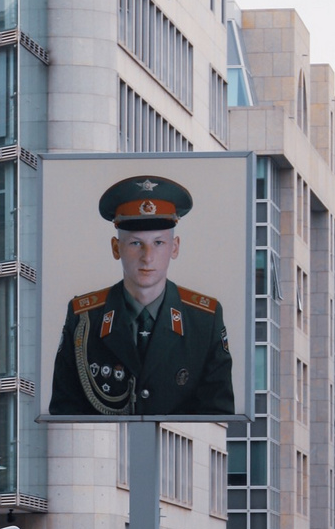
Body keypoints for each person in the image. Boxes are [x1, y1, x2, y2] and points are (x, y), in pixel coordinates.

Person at [49, 175, 234, 417]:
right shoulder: (84, 317)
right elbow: (64, 411)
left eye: (158, 243)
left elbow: (218, 412)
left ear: (175, 247)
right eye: (136, 244)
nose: (147, 257)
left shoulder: (204, 319)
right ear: (116, 248)